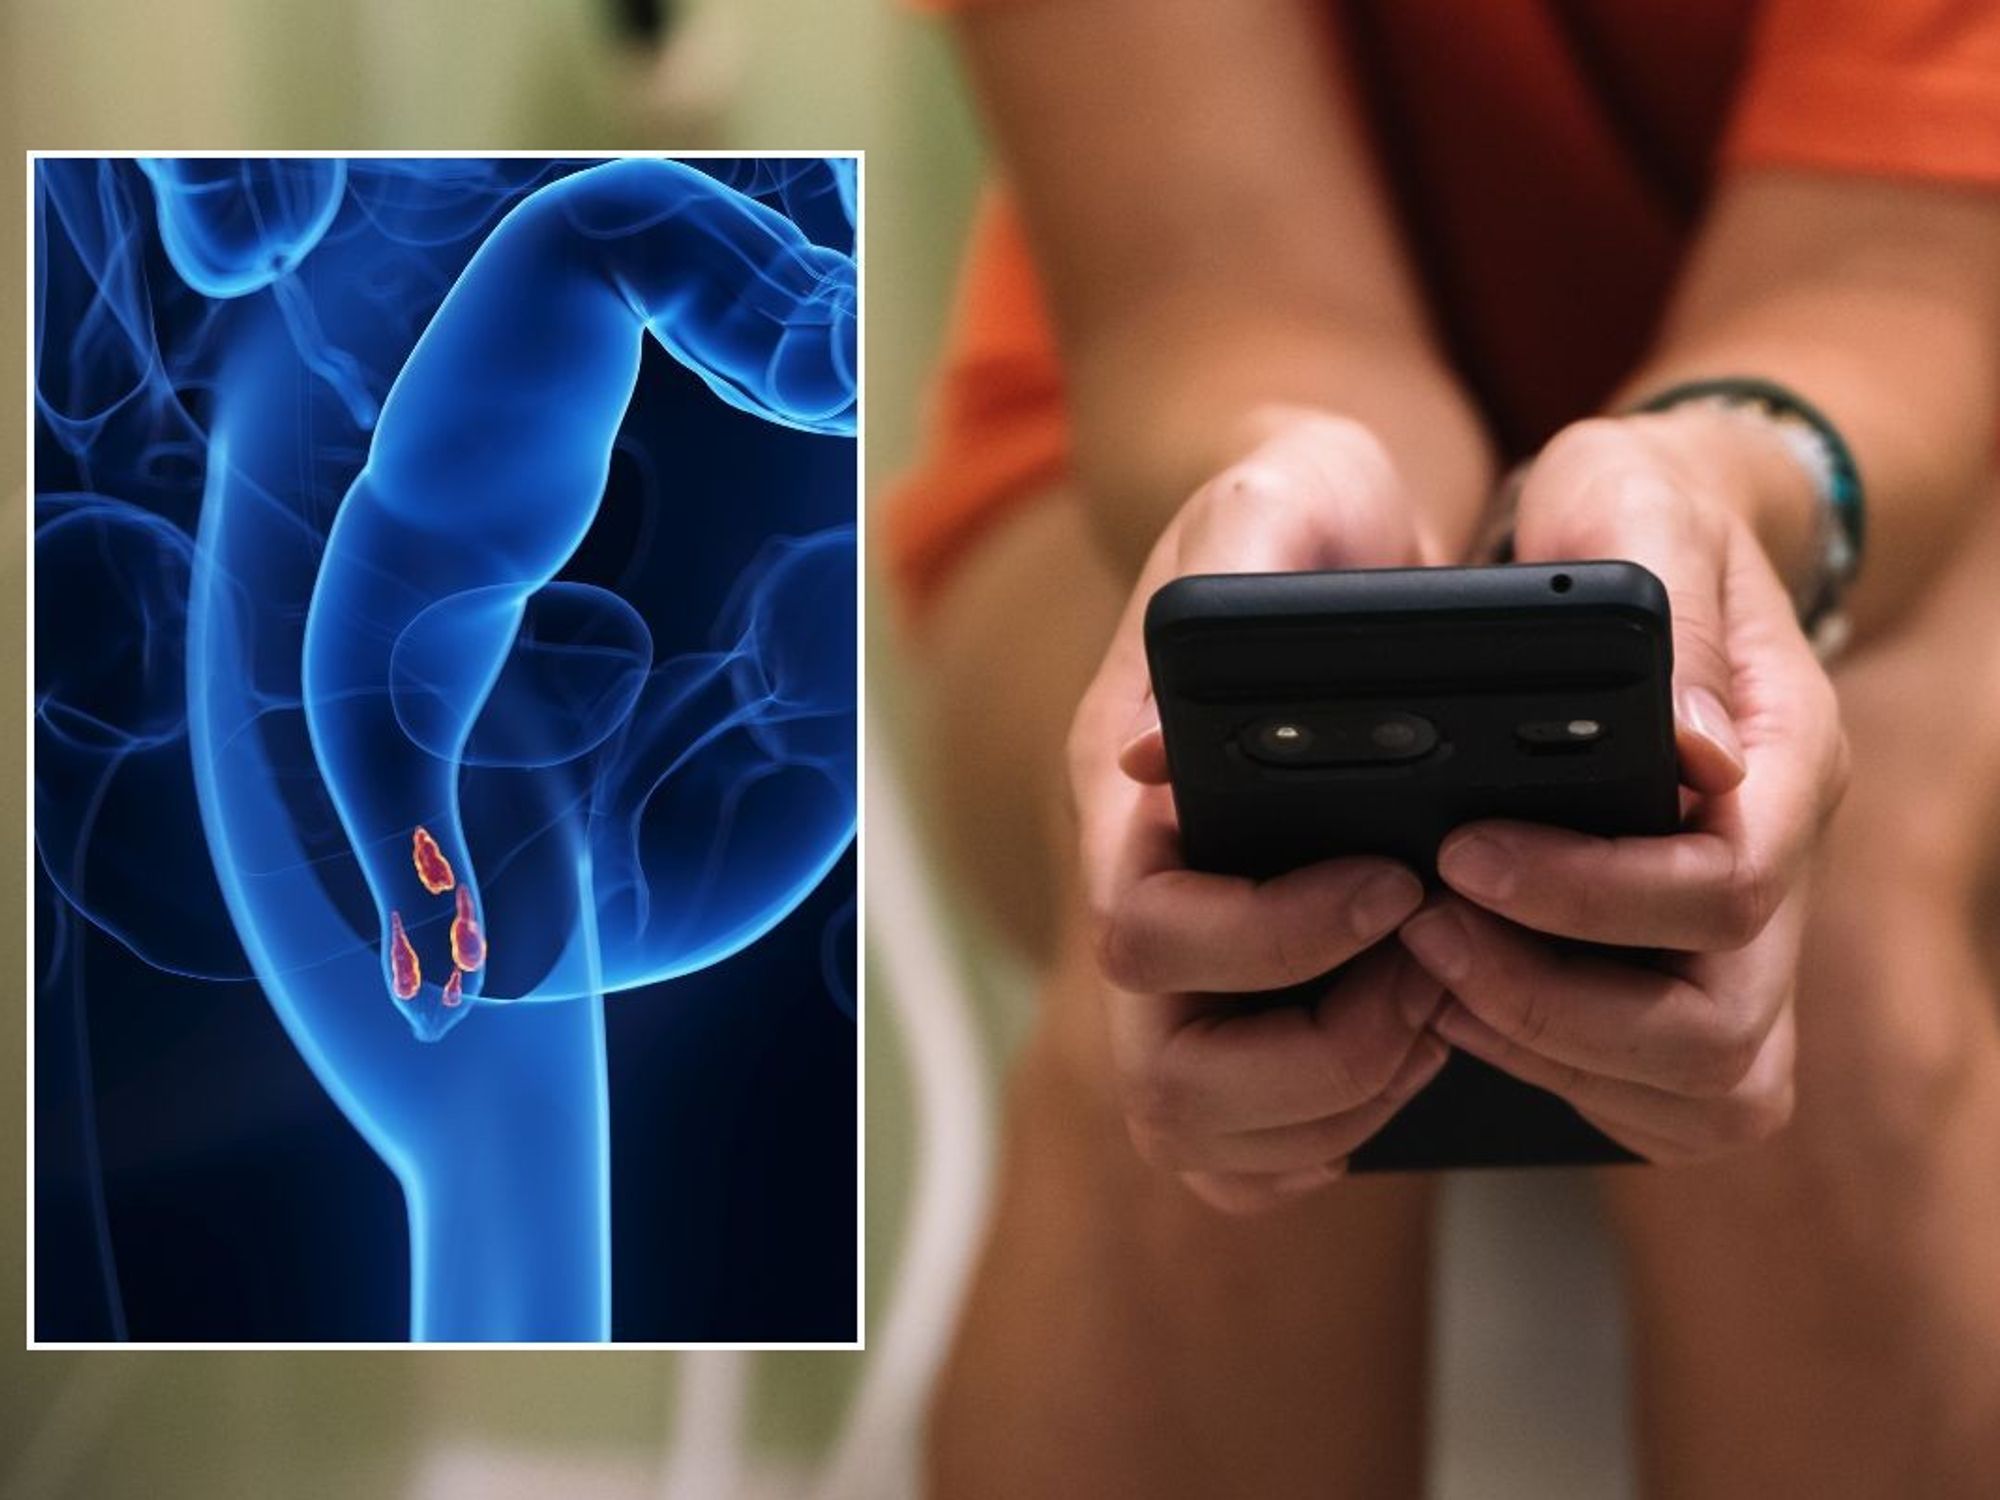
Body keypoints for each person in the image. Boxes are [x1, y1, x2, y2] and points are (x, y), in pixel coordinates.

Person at [883, 2, 2000, 1495]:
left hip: (1941, 439)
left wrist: (1719, 484)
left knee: (1825, 925)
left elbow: (1889, 285)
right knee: (1223, 910)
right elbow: (1218, 287)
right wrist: (1301, 497)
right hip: (1160, 435)